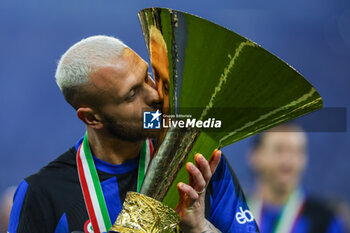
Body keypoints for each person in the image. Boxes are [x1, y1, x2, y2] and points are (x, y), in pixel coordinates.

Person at [8, 35, 259, 233]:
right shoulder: (42, 193)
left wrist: (198, 227)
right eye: (132, 94)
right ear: (92, 118)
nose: (154, 95)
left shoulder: (197, 162)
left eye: (147, 77)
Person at [248, 123, 346, 233]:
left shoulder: (325, 220)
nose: (288, 161)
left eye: (297, 151)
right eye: (279, 150)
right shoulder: (234, 212)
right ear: (255, 156)